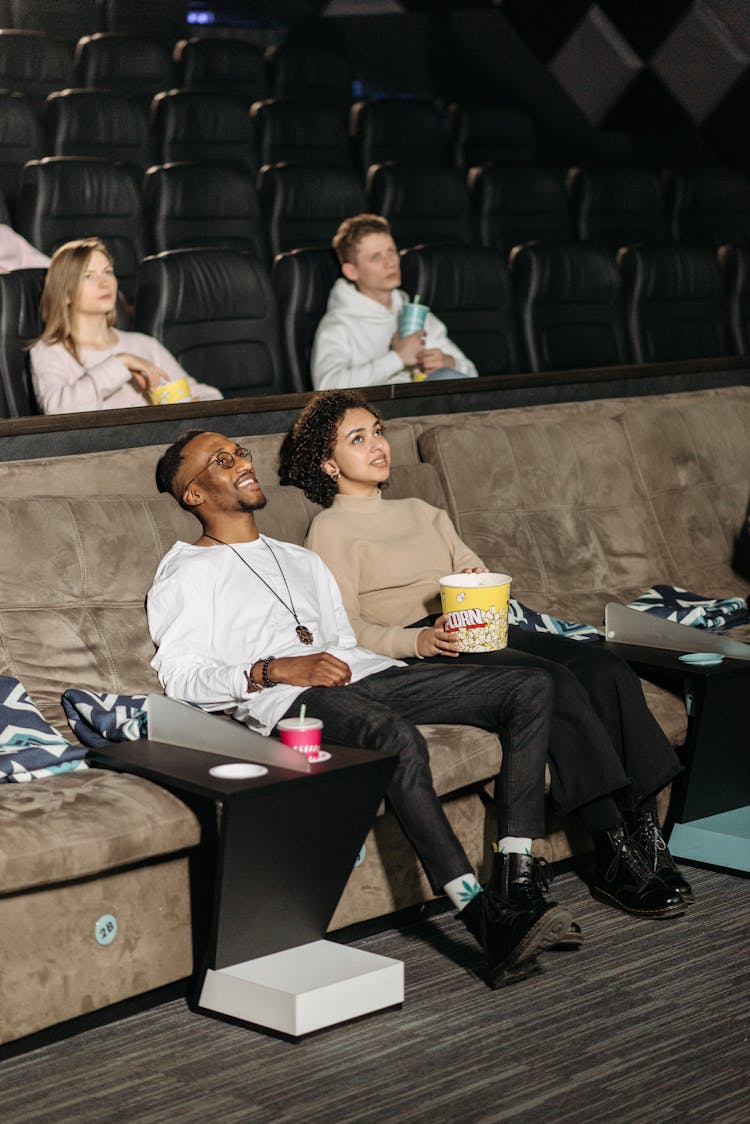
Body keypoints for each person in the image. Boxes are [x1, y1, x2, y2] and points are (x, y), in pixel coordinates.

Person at [149, 428, 578, 990]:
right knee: (394, 735)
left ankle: (517, 877)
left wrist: (408, 654)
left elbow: (342, 640)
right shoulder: (185, 571)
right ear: (194, 495)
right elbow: (178, 676)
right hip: (292, 700)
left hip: (368, 676)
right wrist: (272, 669)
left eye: (241, 453)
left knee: (529, 686)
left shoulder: (300, 560)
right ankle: (481, 916)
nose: (242, 463)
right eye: (222, 461)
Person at [278, 389, 695, 919]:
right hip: (424, 646)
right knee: (557, 683)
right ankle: (611, 850)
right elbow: (345, 625)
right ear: (328, 464)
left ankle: (647, 837)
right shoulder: (330, 529)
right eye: (356, 439)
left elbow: (470, 566)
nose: (377, 445)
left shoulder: (424, 511)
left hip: (482, 623)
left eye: (378, 431)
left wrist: (478, 579)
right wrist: (419, 641)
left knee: (606, 667)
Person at [30, 238, 223, 414]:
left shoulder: (143, 344)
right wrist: (120, 362)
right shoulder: (49, 351)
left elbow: (206, 394)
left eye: (107, 272)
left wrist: (197, 404)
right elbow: (57, 412)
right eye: (88, 276)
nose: (104, 283)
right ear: (65, 294)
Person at [310, 213, 478, 390]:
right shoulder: (338, 324)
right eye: (376, 257)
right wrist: (397, 358)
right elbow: (326, 387)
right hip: (375, 414)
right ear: (352, 271)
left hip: (428, 411)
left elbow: (472, 375)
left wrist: (449, 362)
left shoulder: (414, 313)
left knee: (447, 376)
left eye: (391, 251)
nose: (389, 263)